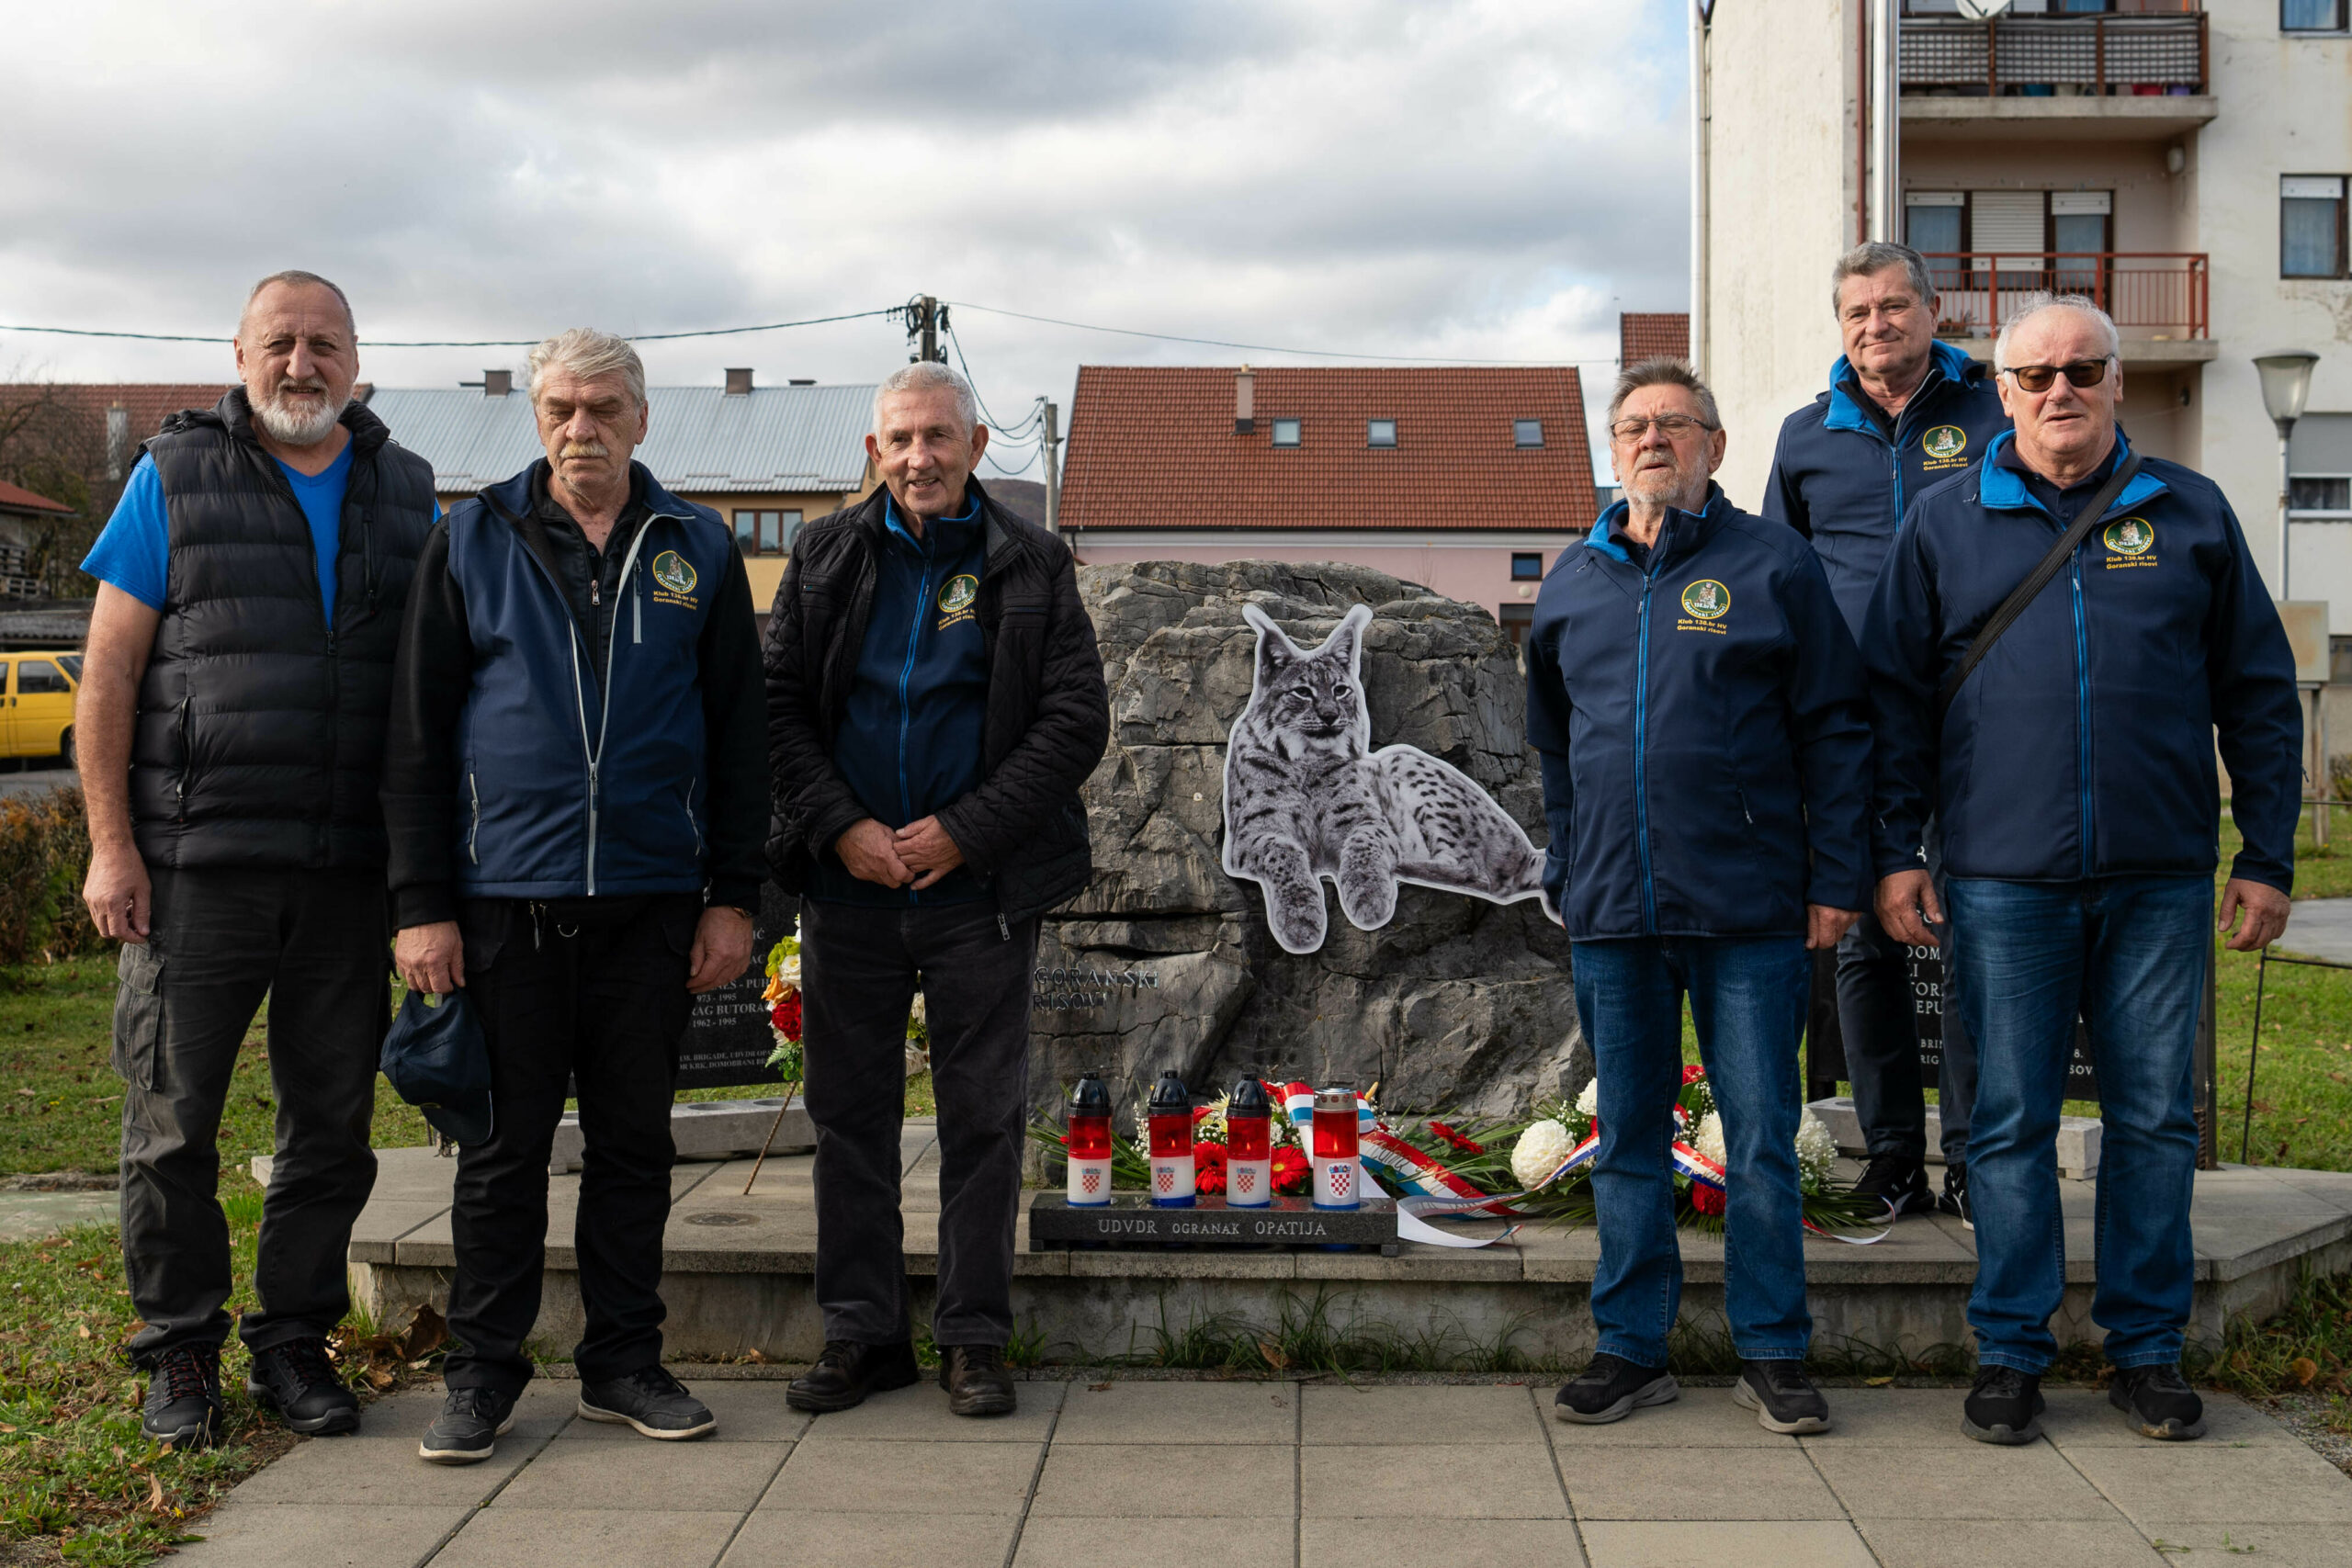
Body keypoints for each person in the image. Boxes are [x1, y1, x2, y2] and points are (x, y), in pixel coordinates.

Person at [1869, 294, 2299, 1444]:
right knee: (2006, 1120)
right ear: (2000, 392)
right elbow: (1893, 706)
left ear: (2118, 383)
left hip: (2158, 875)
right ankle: (2011, 1349)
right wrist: (1892, 853)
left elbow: (2256, 695)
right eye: (2035, 374)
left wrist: (2264, 851)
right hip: (2001, 878)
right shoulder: (1944, 520)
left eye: (2082, 369)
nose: (2059, 390)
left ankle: (2144, 1351)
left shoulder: (2191, 512)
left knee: (2154, 1120)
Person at [381, 328, 765, 1464]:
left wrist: (731, 895)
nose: (580, 429)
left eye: (603, 408)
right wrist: (420, 903)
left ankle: (623, 1364)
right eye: (560, 408)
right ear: (536, 419)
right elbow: (415, 739)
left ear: (643, 419)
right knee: (501, 1157)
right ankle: (482, 1376)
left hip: (651, 906)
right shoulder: (470, 540)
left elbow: (741, 737)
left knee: (634, 1148)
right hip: (504, 905)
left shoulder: (696, 543)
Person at [76, 271, 438, 1448]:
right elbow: (111, 675)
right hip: (195, 870)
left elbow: (431, 689)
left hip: (344, 872)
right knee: (173, 1127)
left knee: (329, 1126)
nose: (301, 365)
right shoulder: (172, 477)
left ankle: (293, 1338)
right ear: (238, 356)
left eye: (323, 344)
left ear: (354, 357)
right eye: (279, 343)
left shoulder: (407, 490)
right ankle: (178, 1348)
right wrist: (110, 847)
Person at [1525, 358, 1871, 1436]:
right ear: (1612, 448)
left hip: (1750, 908)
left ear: (1716, 448)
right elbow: (1552, 744)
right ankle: (1632, 1347)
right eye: (1632, 425)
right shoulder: (1573, 577)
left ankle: (1773, 1349)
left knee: (1761, 1136)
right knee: (1626, 1133)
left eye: (1675, 422)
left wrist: (1834, 878)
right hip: (1614, 911)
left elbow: (1835, 730)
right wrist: (1566, 867)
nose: (1652, 438)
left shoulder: (1775, 564)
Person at [765, 361, 1107, 1418]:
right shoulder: (822, 556)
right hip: (848, 890)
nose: (919, 457)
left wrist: (965, 832)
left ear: (975, 446)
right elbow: (773, 708)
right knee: (848, 1117)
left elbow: (1071, 723)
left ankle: (971, 1337)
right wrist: (844, 829)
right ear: (874, 451)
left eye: (938, 437)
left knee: (982, 1119)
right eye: (899, 439)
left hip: (979, 894)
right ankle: (862, 1335)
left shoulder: (1035, 564)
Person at [1763, 241, 2010, 1223]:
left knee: (1967, 934)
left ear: (1932, 309)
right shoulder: (1804, 436)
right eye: (1858, 312)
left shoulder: (1996, 413)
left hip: (1972, 718)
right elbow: (1780, 577)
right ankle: (1895, 1157)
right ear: (1841, 326)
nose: (1878, 325)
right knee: (1863, 943)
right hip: (1850, 727)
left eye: (1895, 306)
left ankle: (1973, 1162)